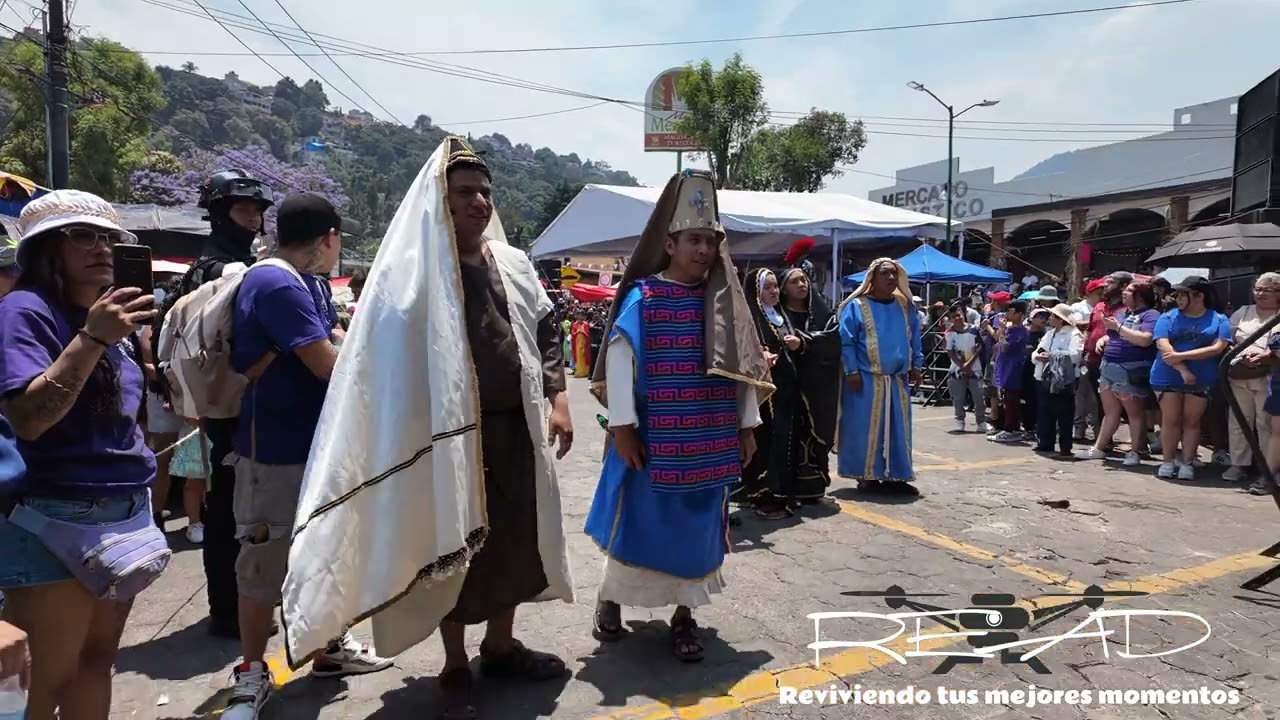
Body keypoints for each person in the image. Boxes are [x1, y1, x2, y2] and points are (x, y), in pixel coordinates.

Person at [280, 138, 575, 720]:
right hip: (448, 441)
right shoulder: (412, 277)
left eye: (486, 192)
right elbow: (379, 360)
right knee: (451, 544)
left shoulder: (513, 266)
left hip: (515, 434)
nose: (479, 203)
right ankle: (455, 662)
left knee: (515, 540)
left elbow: (545, 335)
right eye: (464, 192)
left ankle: (500, 646)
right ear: (438, 200)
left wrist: (559, 400)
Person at [585, 169, 770, 663]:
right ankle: (610, 599)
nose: (704, 250)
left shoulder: (724, 302)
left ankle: (685, 618)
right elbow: (621, 360)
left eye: (711, 240)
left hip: (710, 441)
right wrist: (623, 429)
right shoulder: (643, 296)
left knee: (695, 532)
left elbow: (740, 368)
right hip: (652, 441)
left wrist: (747, 426)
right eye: (694, 239)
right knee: (640, 526)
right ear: (669, 243)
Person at [221, 194, 391, 719]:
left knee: (324, 554)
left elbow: (334, 339)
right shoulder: (274, 282)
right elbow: (326, 363)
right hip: (274, 453)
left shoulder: (309, 283)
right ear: (328, 238)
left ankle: (328, 649)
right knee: (263, 563)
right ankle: (252, 674)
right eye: (340, 239)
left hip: (316, 448)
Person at [0, 190, 158, 720]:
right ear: (48, 249)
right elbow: (30, 418)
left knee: (96, 661)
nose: (103, 248)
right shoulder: (26, 311)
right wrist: (92, 338)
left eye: (110, 237)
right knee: (44, 679)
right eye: (83, 235)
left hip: (124, 513)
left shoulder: (109, 316)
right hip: (55, 515)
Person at [153, 169, 275, 639]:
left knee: (235, 507)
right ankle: (228, 608)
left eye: (258, 209)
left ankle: (237, 602)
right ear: (219, 212)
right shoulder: (221, 268)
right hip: (233, 407)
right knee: (229, 510)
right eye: (242, 208)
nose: (252, 216)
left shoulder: (230, 262)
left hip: (230, 406)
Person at [740, 268, 838, 519]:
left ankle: (782, 493)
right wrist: (760, 357)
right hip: (766, 396)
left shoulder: (779, 316)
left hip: (787, 393)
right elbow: (742, 353)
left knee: (785, 442)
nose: (773, 292)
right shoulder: (750, 320)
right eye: (767, 288)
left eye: (775, 287)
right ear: (755, 292)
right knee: (766, 443)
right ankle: (760, 495)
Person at [836, 257, 923, 495]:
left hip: (897, 380)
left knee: (898, 429)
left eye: (894, 273)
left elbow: (914, 338)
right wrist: (851, 370)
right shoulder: (857, 306)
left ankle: (897, 475)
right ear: (873, 278)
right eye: (885, 273)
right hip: (866, 379)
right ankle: (866, 475)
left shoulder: (905, 306)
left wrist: (916, 364)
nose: (891, 278)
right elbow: (846, 340)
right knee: (864, 429)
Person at [1150, 276, 1231, 480]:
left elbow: (1218, 347)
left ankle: (1187, 462)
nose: (1177, 298)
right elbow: (1163, 345)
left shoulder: (1219, 319)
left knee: (1192, 422)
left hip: (1202, 377)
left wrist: (1182, 355)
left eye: (1182, 294)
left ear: (1198, 296)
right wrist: (1183, 369)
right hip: (1168, 375)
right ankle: (1168, 461)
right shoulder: (1167, 317)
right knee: (1170, 420)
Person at [1076, 281, 1159, 465]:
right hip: (1109, 367)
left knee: (1134, 414)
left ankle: (1135, 451)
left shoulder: (1151, 315)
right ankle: (1099, 448)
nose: (1124, 293)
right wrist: (1105, 338)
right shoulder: (1123, 314)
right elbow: (1114, 334)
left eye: (1129, 291)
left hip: (1131, 369)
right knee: (1110, 412)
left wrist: (1118, 328)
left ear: (1141, 296)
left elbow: (1146, 340)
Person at [1225, 272, 1280, 489]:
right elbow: (1227, 338)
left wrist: (1267, 357)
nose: (1260, 293)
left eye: (1266, 290)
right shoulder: (1243, 312)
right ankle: (1239, 464)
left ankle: (1268, 468)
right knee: (1238, 419)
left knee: (1265, 424)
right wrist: (1236, 354)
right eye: (1257, 289)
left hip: (1270, 376)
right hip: (1239, 374)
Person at [1032, 305, 1085, 456]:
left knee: (1064, 414)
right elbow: (1038, 350)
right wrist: (1037, 356)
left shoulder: (1074, 335)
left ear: (1061, 320)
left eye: (1053, 316)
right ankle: (1045, 442)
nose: (1049, 319)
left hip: (1063, 380)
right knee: (1044, 411)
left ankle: (1065, 446)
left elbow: (1075, 355)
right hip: (1043, 377)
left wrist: (1053, 355)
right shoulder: (1049, 334)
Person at [989, 301, 1030, 443]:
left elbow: (1006, 347)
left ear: (1019, 313)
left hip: (1014, 369)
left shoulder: (1021, 331)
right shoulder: (1010, 329)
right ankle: (1009, 427)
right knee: (1007, 399)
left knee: (1012, 400)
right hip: (1005, 368)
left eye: (1011, 311)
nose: (1007, 314)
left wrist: (1001, 331)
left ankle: (1012, 429)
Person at [1072, 278, 1106, 440]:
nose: (1102, 295)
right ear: (1089, 293)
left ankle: (1098, 430)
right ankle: (1079, 428)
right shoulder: (1079, 307)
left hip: (1100, 356)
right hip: (1082, 354)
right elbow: (1074, 322)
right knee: (1083, 393)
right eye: (1099, 293)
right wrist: (1095, 322)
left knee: (1096, 396)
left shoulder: (1105, 308)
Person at [945, 307, 987, 433]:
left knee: (979, 396)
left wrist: (969, 364)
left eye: (958, 315)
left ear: (963, 314)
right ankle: (959, 420)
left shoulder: (974, 329)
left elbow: (979, 347)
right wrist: (961, 365)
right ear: (950, 319)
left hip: (975, 368)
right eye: (953, 317)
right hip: (956, 369)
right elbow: (949, 351)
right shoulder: (949, 332)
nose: (957, 318)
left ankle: (981, 421)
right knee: (958, 397)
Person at [571, 311, 591, 378]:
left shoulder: (585, 324)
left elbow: (588, 333)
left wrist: (583, 332)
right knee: (578, 356)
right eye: (579, 316)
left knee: (584, 355)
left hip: (584, 342)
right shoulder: (574, 324)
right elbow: (572, 333)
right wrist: (577, 332)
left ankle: (586, 372)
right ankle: (579, 371)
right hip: (577, 342)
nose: (580, 318)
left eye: (582, 316)